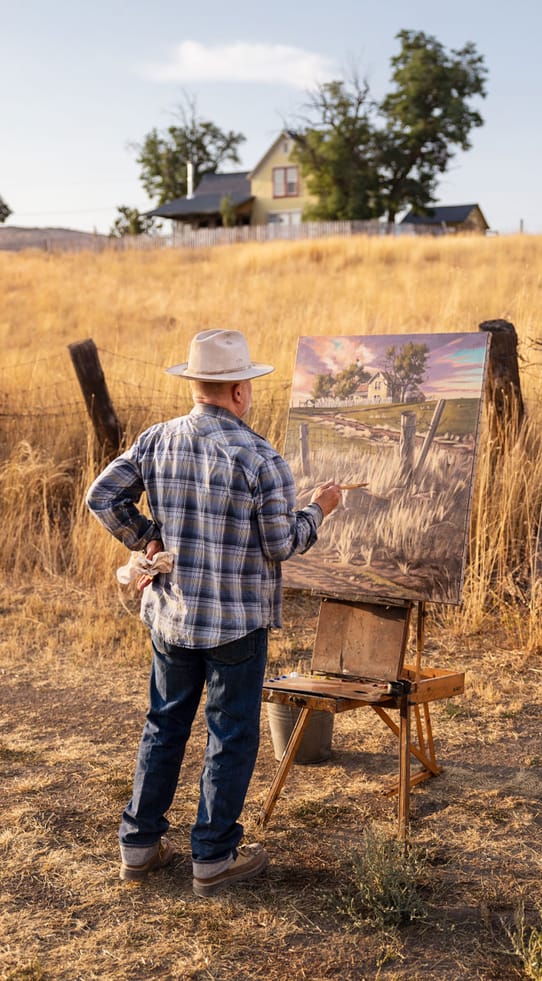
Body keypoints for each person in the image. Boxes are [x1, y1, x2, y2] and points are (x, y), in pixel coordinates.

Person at [86, 328, 340, 897]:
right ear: (240, 391)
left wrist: (149, 537)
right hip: (236, 625)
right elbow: (280, 545)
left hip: (172, 617)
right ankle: (213, 858)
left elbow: (101, 497)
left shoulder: (157, 440)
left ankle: (139, 846)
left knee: (164, 722)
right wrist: (319, 510)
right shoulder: (261, 458)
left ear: (195, 385)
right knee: (229, 734)